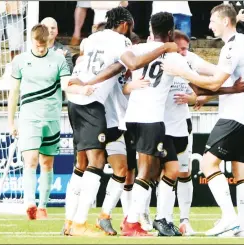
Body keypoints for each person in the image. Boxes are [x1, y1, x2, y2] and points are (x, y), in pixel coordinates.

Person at [62, 7, 178, 237]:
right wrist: (164, 47)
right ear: (125, 25)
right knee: (93, 163)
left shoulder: (93, 40)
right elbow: (131, 64)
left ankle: (95, 218)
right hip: (96, 107)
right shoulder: (122, 43)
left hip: (90, 105)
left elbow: (115, 66)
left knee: (115, 168)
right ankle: (77, 223)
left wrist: (85, 82)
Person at [162, 4, 244, 237]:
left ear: (225, 21)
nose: (209, 25)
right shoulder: (242, 42)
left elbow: (215, 82)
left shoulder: (232, 47)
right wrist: (205, 95)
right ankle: (242, 227)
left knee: (207, 164)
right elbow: (223, 83)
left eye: (213, 21)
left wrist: (183, 73)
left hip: (234, 116)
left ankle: (229, 218)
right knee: (240, 167)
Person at [119, 11, 192, 237]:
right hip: (151, 120)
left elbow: (128, 64)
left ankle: (159, 219)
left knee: (168, 169)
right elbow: (197, 81)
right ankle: (132, 222)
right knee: (146, 171)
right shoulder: (173, 56)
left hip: (132, 118)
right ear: (170, 32)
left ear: (150, 29)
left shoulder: (138, 48)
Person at [8, 24, 71, 220]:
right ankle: (30, 203)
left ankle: (43, 206)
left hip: (51, 118)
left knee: (47, 163)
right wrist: (11, 122)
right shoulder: (20, 60)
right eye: (37, 45)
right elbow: (14, 92)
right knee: (31, 160)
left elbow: (66, 86)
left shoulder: (59, 59)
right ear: (31, 41)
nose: (41, 49)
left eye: (44, 45)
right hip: (28, 118)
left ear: (49, 41)